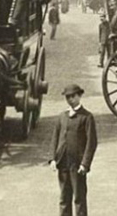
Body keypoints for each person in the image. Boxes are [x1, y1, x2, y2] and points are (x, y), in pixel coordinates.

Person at [49, 84, 97, 216]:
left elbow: (91, 143)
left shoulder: (87, 117)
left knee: (79, 198)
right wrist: (53, 158)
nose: (70, 99)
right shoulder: (62, 116)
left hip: (77, 165)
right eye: (67, 97)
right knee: (64, 198)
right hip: (63, 163)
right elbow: (55, 138)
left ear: (79, 96)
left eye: (73, 96)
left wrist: (85, 164)